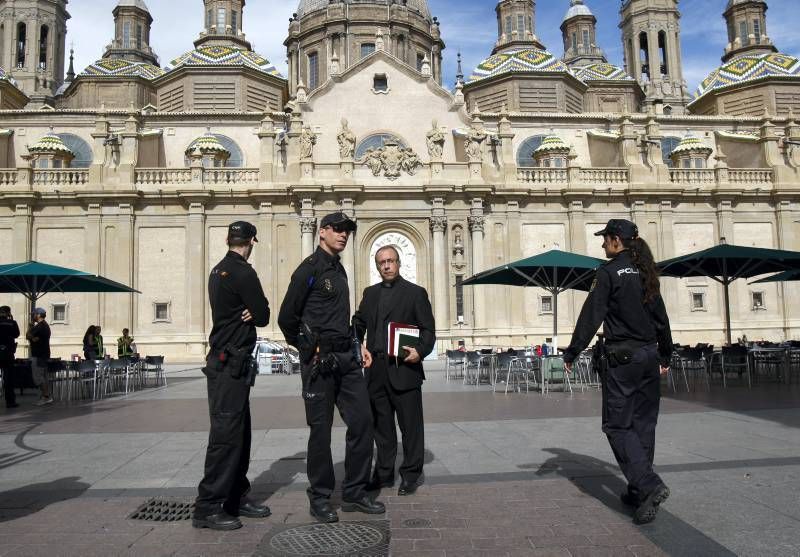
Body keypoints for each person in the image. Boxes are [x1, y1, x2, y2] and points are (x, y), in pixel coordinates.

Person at [562, 219, 673, 525]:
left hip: (623, 359)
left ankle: (649, 484)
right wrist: (666, 351)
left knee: (617, 426)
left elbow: (591, 315)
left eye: (605, 239)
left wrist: (573, 351)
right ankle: (638, 490)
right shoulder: (646, 271)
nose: (602, 244)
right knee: (643, 424)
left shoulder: (608, 273)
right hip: (650, 355)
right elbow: (660, 316)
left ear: (616, 240)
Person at [278, 211, 385, 524]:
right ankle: (321, 497)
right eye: (337, 229)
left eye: (347, 231)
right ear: (322, 231)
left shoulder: (340, 270)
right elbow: (287, 318)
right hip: (319, 364)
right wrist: (309, 350)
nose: (343, 235)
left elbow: (340, 318)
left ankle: (354, 492)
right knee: (321, 431)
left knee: (363, 422)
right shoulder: (307, 270)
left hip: (347, 359)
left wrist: (358, 345)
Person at [193, 221, 272, 531]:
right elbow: (264, 314)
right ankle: (208, 506)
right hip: (231, 362)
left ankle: (236, 496)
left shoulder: (217, 270)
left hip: (225, 362)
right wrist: (255, 309)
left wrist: (251, 308)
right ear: (251, 241)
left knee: (239, 432)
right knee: (226, 436)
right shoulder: (243, 272)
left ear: (228, 240)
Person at [354, 245, 435, 496]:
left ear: (399, 263)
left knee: (411, 427)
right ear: (377, 266)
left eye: (390, 261)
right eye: (381, 262)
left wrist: (419, 351)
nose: (386, 266)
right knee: (382, 427)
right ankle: (384, 473)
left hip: (404, 368)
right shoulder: (370, 294)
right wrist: (358, 345)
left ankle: (411, 474)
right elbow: (358, 323)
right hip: (376, 370)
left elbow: (428, 331)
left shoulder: (415, 293)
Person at [27, 307, 53, 406]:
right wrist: (32, 337)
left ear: (38, 315)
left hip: (39, 355)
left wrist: (30, 328)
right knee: (44, 377)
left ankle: (46, 397)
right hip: (44, 354)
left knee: (39, 377)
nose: (32, 316)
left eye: (33, 314)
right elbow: (32, 338)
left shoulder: (40, 327)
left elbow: (28, 336)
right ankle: (47, 396)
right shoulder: (44, 326)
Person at [0, 306, 20, 408]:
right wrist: (11, 320)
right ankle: (10, 401)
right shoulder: (12, 323)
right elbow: (17, 334)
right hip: (8, 353)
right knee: (9, 378)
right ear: (8, 313)